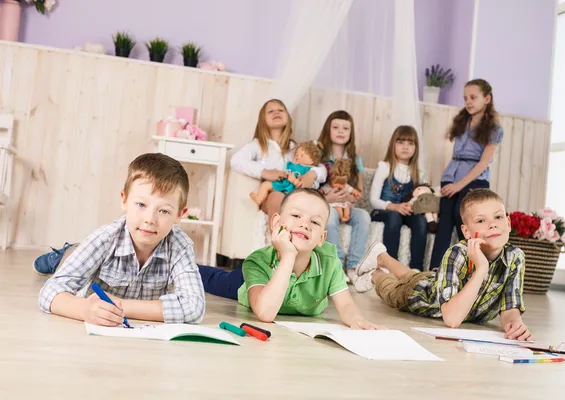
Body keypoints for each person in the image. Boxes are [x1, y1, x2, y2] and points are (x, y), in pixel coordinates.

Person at [36, 153, 206, 325]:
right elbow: (49, 292)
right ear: (124, 200)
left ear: (180, 214)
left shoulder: (179, 246)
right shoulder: (105, 239)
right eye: (141, 205)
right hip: (87, 255)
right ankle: (62, 255)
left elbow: (194, 307)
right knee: (70, 260)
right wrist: (85, 310)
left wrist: (120, 306)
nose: (150, 220)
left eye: (164, 211)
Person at [354, 189, 532, 341]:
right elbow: (452, 319)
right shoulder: (457, 253)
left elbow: (510, 308)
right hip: (418, 296)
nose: (492, 225)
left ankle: (382, 256)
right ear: (466, 232)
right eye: (480, 221)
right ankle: (375, 274)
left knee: (414, 277)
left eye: (498, 217)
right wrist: (482, 268)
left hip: (432, 280)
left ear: (508, 223)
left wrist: (514, 324)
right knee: (395, 288)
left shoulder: (515, 257)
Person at [199, 188, 378, 330]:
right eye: (296, 216)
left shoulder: (329, 261)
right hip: (250, 286)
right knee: (214, 278)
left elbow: (346, 305)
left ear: (322, 238)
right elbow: (265, 313)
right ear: (276, 223)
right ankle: (189, 267)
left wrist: (358, 321)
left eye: (314, 222)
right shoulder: (257, 261)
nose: (305, 224)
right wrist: (288, 256)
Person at [430, 79, 504, 269]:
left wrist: (459, 185)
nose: (468, 102)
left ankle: (475, 267)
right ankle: (435, 270)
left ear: (487, 98)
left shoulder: (494, 130)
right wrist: (450, 181)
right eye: (465, 98)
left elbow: (483, 163)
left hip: (474, 180)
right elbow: (457, 155)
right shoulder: (462, 122)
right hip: (451, 176)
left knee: (462, 217)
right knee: (444, 222)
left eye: (473, 97)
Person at [230, 99, 327, 223]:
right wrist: (265, 172)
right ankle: (279, 238)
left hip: (294, 196)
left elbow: (321, 167)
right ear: (262, 119)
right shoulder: (258, 145)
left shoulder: (295, 148)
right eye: (270, 111)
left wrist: (313, 174)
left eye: (281, 110)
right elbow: (236, 161)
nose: (276, 112)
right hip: (272, 196)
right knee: (277, 197)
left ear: (288, 117)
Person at [317, 110, 371, 286]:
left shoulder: (355, 159)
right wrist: (327, 198)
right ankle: (336, 265)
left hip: (346, 204)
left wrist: (351, 196)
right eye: (336, 127)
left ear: (351, 132)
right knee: (330, 217)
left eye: (345, 128)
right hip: (326, 204)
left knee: (363, 216)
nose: (341, 131)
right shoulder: (320, 156)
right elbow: (312, 188)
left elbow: (360, 192)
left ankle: (354, 267)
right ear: (328, 129)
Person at [369, 125, 428, 270]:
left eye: (410, 143)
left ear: (416, 147)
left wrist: (412, 207)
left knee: (420, 220)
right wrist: (394, 207)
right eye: (401, 142)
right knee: (394, 217)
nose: (405, 147)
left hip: (406, 212)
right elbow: (373, 200)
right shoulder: (385, 167)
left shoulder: (418, 173)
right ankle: (391, 265)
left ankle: (416, 268)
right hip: (383, 211)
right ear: (393, 145)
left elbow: (421, 198)